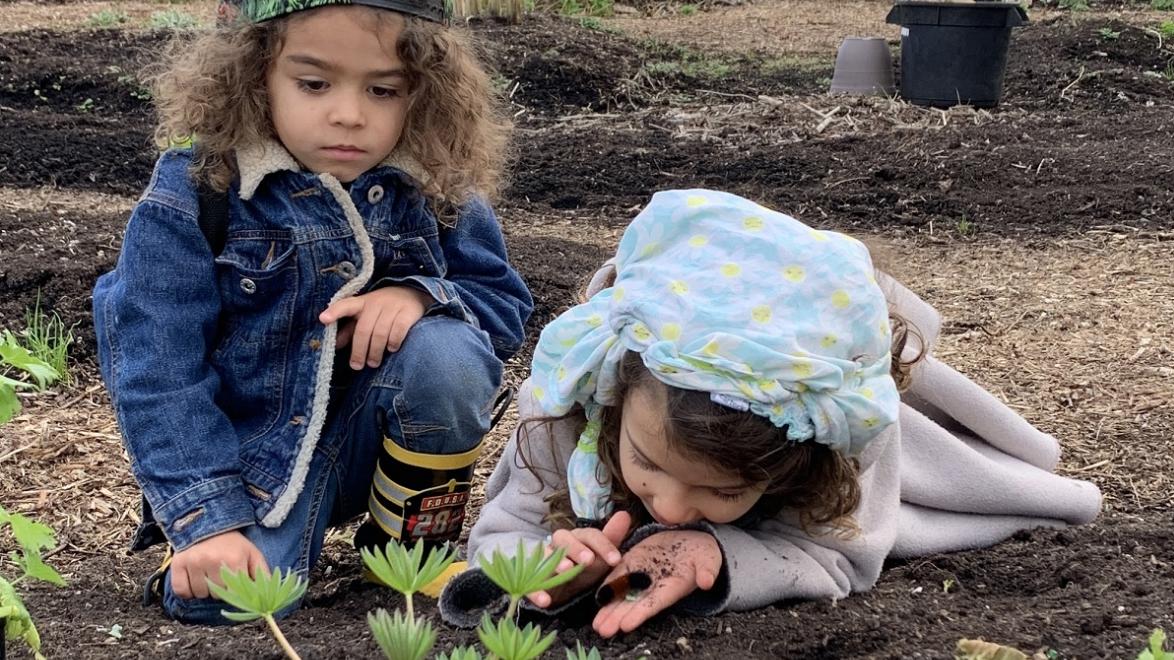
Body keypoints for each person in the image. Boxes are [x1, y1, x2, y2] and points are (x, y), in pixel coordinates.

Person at [439, 189, 1101, 637]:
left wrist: (722, 553)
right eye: (644, 461)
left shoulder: (833, 438)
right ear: (616, 394)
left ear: (791, 468)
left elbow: (839, 555)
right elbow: (502, 532)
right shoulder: (570, 401)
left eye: (723, 490)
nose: (668, 508)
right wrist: (545, 571)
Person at [92, 0, 532, 625]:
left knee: (449, 354)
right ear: (254, 74)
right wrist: (206, 521)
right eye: (314, 83)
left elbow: (503, 304)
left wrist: (419, 296)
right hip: (252, 468)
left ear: (425, 94)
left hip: (369, 444)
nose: (349, 114)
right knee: (233, 606)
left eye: (384, 90)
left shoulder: (435, 185)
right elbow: (156, 369)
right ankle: (203, 549)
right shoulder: (199, 192)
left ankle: (407, 547)